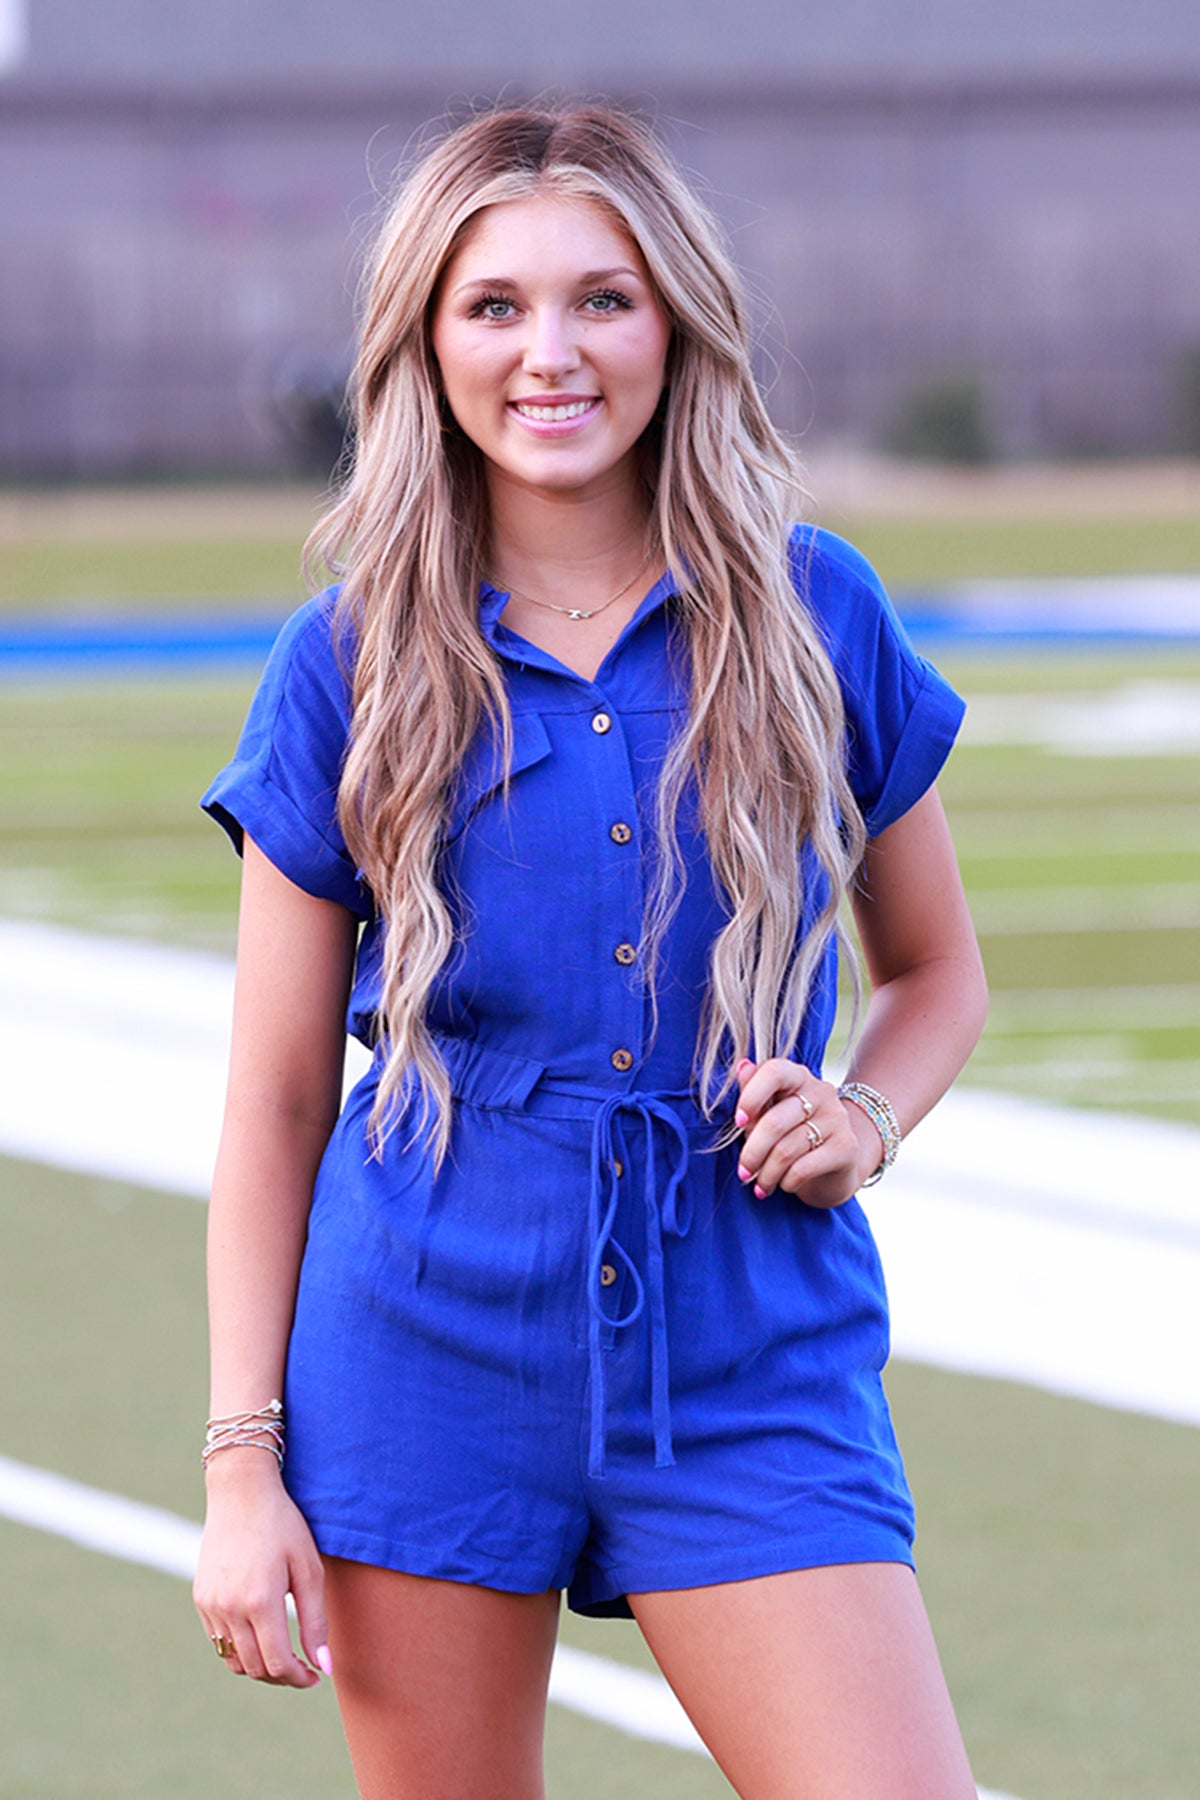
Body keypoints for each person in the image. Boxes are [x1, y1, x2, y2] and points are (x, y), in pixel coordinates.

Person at [193, 98, 988, 1798]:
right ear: (428, 341)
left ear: (674, 326)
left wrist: (867, 1118)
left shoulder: (813, 608)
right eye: (495, 306)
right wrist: (240, 1469)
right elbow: (273, 1106)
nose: (550, 351)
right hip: (424, 1348)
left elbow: (937, 973)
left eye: (601, 299)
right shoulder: (342, 662)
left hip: (752, 1345)